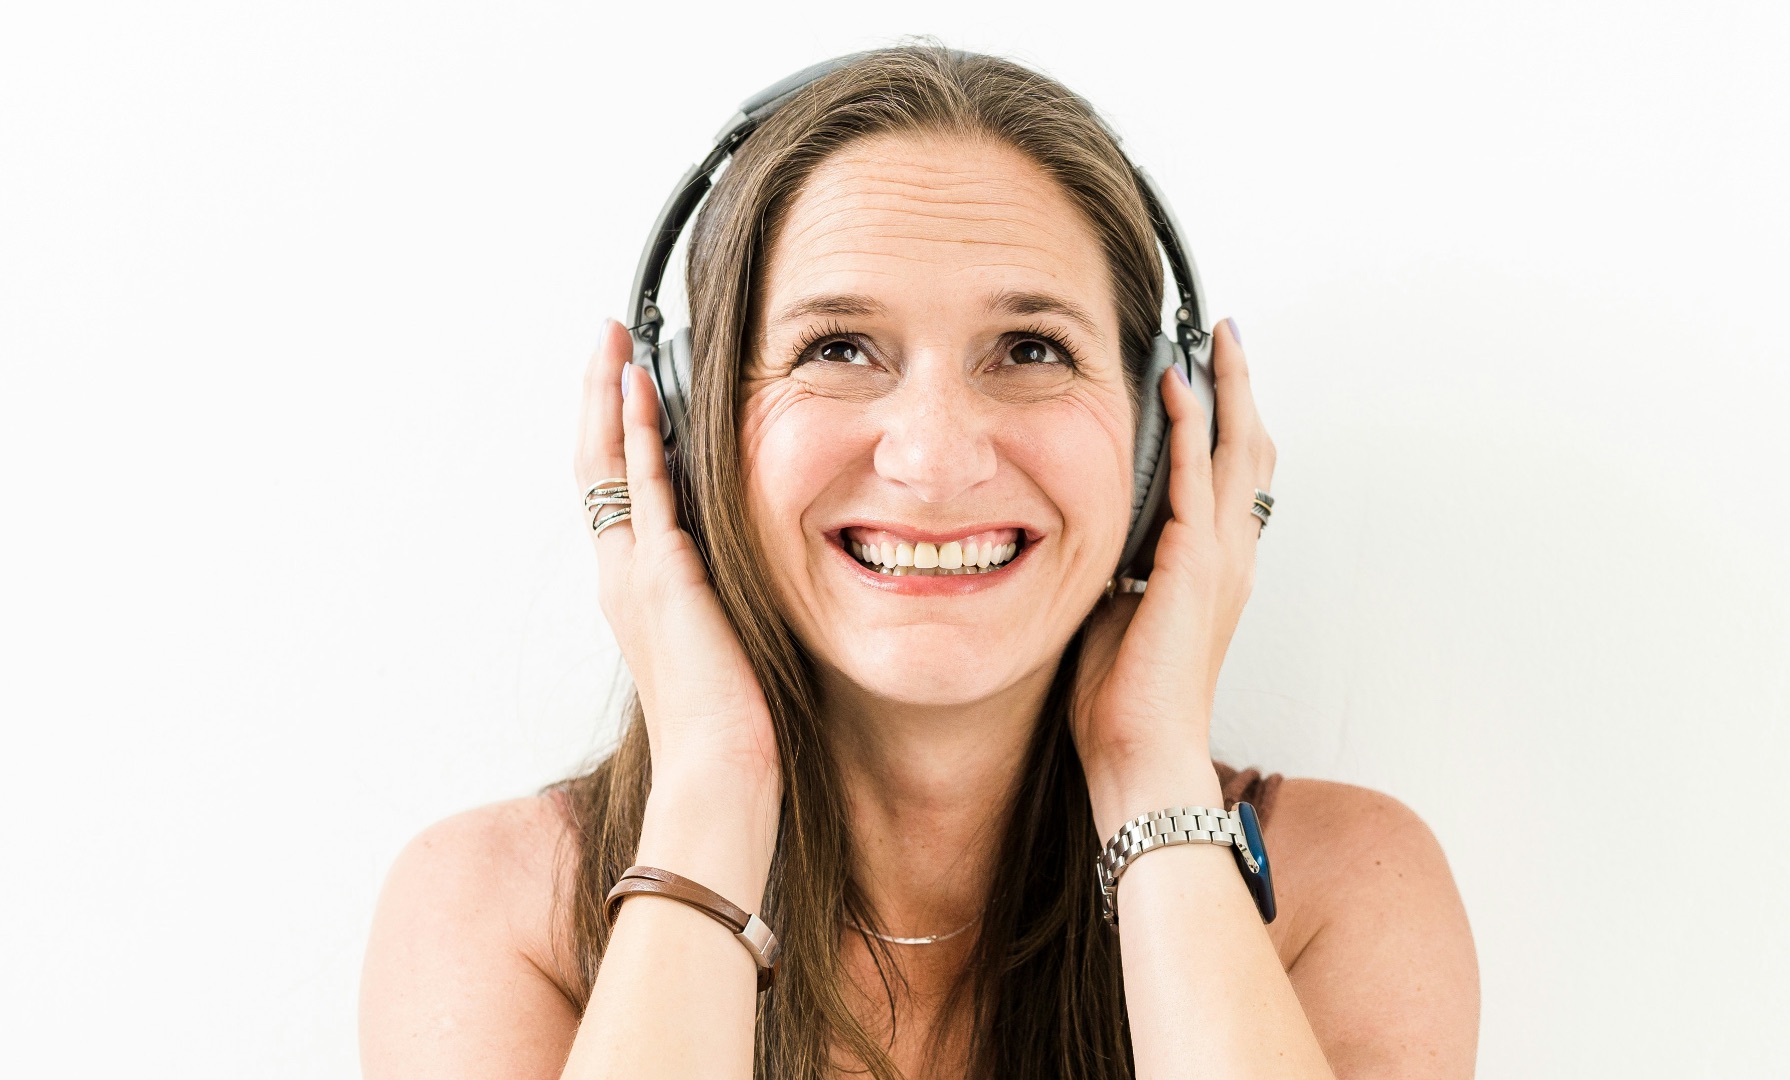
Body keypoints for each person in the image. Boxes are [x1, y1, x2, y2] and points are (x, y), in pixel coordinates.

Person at [359, 46, 1478, 1080]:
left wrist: (1151, 778)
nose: (936, 460)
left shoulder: (1344, 892)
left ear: (1161, 439)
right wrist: (713, 785)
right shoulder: (494, 913)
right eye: (836, 349)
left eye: (1031, 349)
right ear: (687, 431)